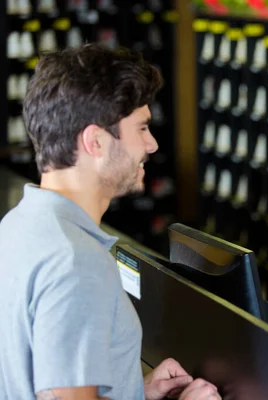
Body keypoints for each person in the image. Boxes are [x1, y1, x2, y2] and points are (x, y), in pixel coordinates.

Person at [0, 44, 221, 400]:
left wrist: (132, 390)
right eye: (142, 128)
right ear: (96, 142)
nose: (151, 145)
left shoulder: (17, 226)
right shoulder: (76, 261)